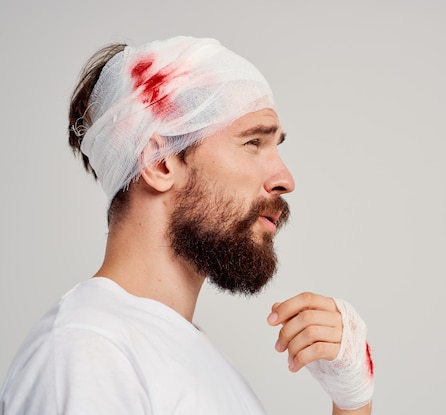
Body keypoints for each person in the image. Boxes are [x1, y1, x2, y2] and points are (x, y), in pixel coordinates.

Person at [0, 36, 374, 414]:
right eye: (252, 143)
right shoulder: (86, 355)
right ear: (160, 163)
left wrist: (352, 399)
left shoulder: (191, 358)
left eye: (276, 146)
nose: (285, 179)